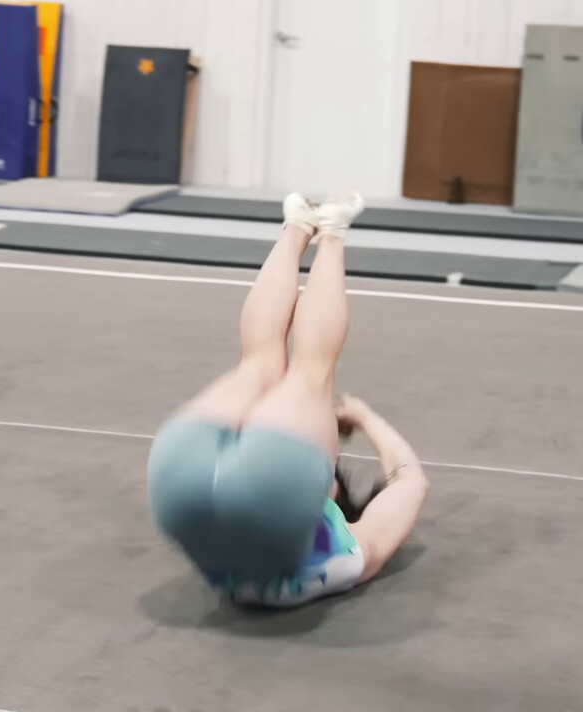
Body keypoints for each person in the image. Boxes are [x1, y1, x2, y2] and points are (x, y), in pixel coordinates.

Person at [145, 189, 430, 608]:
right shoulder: (336, 557)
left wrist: (365, 416)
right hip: (177, 489)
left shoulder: (348, 557)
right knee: (262, 362)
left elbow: (411, 480)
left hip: (268, 488)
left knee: (302, 368)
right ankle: (298, 223)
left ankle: (323, 229)